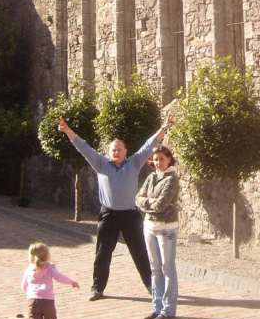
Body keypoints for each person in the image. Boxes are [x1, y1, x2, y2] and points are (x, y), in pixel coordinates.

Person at [57, 112, 175, 301]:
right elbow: (83, 147)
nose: (116, 153)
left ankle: (151, 287)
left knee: (140, 252)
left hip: (129, 215)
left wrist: (164, 127)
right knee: (103, 253)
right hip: (109, 215)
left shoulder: (134, 162)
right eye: (113, 150)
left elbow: (149, 145)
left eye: (119, 150)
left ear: (125, 152)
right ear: (109, 153)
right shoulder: (101, 164)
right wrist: (67, 130)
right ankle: (97, 288)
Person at [136, 144, 180, 319]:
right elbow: (137, 198)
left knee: (167, 269)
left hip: (166, 228)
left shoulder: (172, 179)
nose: (158, 162)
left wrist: (147, 202)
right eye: (155, 159)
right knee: (155, 270)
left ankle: (169, 310)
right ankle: (157, 307)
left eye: (162, 158)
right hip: (149, 227)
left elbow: (162, 204)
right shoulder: (151, 177)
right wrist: (148, 201)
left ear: (169, 159)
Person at [21, 241, 79, 319]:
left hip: (33, 302)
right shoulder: (50, 267)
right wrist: (72, 282)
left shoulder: (29, 268)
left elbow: (23, 286)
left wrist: (31, 293)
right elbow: (59, 277)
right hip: (47, 301)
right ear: (46, 256)